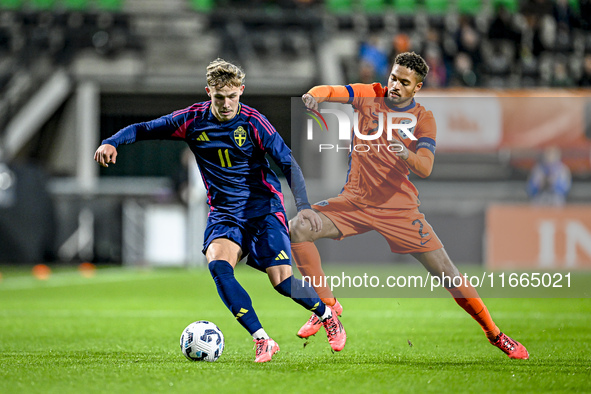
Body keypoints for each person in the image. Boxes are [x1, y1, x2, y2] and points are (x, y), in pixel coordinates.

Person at [94, 58, 346, 363]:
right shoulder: (192, 120)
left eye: (232, 96)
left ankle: (326, 313)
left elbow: (289, 164)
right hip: (224, 213)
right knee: (218, 265)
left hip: (263, 210)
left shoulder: (254, 122)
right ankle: (262, 339)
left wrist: (304, 207)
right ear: (208, 93)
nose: (226, 104)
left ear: (241, 91)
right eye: (219, 97)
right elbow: (144, 128)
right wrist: (112, 141)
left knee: (281, 281)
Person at [289, 52, 529, 359]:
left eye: (404, 82)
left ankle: (495, 334)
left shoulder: (423, 118)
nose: (395, 86)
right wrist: (314, 95)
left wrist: (406, 154)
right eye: (393, 78)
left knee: (449, 273)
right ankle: (328, 308)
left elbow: (425, 168)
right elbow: (334, 91)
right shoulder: (369, 94)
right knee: (299, 226)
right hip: (353, 201)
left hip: (398, 209)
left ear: (417, 88)